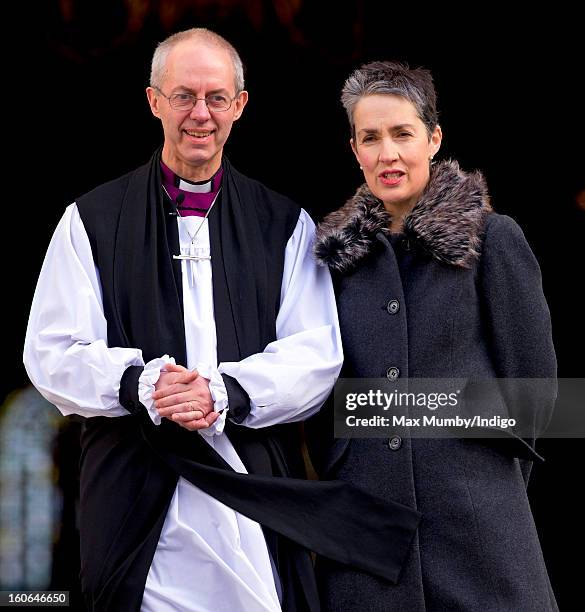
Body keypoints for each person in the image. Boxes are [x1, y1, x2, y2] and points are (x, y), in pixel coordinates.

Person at [24, 32, 422, 612]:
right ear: (154, 101)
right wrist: (143, 384)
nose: (200, 114)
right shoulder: (88, 220)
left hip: (249, 493)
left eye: (216, 97)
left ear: (240, 105)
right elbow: (50, 352)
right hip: (135, 490)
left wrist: (226, 391)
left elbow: (317, 353)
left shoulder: (286, 224)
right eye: (183, 96)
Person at [310, 61, 558, 611]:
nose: (388, 154)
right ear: (354, 148)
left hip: (478, 533)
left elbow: (540, 405)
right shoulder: (330, 264)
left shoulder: (494, 240)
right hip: (365, 541)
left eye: (402, 134)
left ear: (434, 138)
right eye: (370, 138)